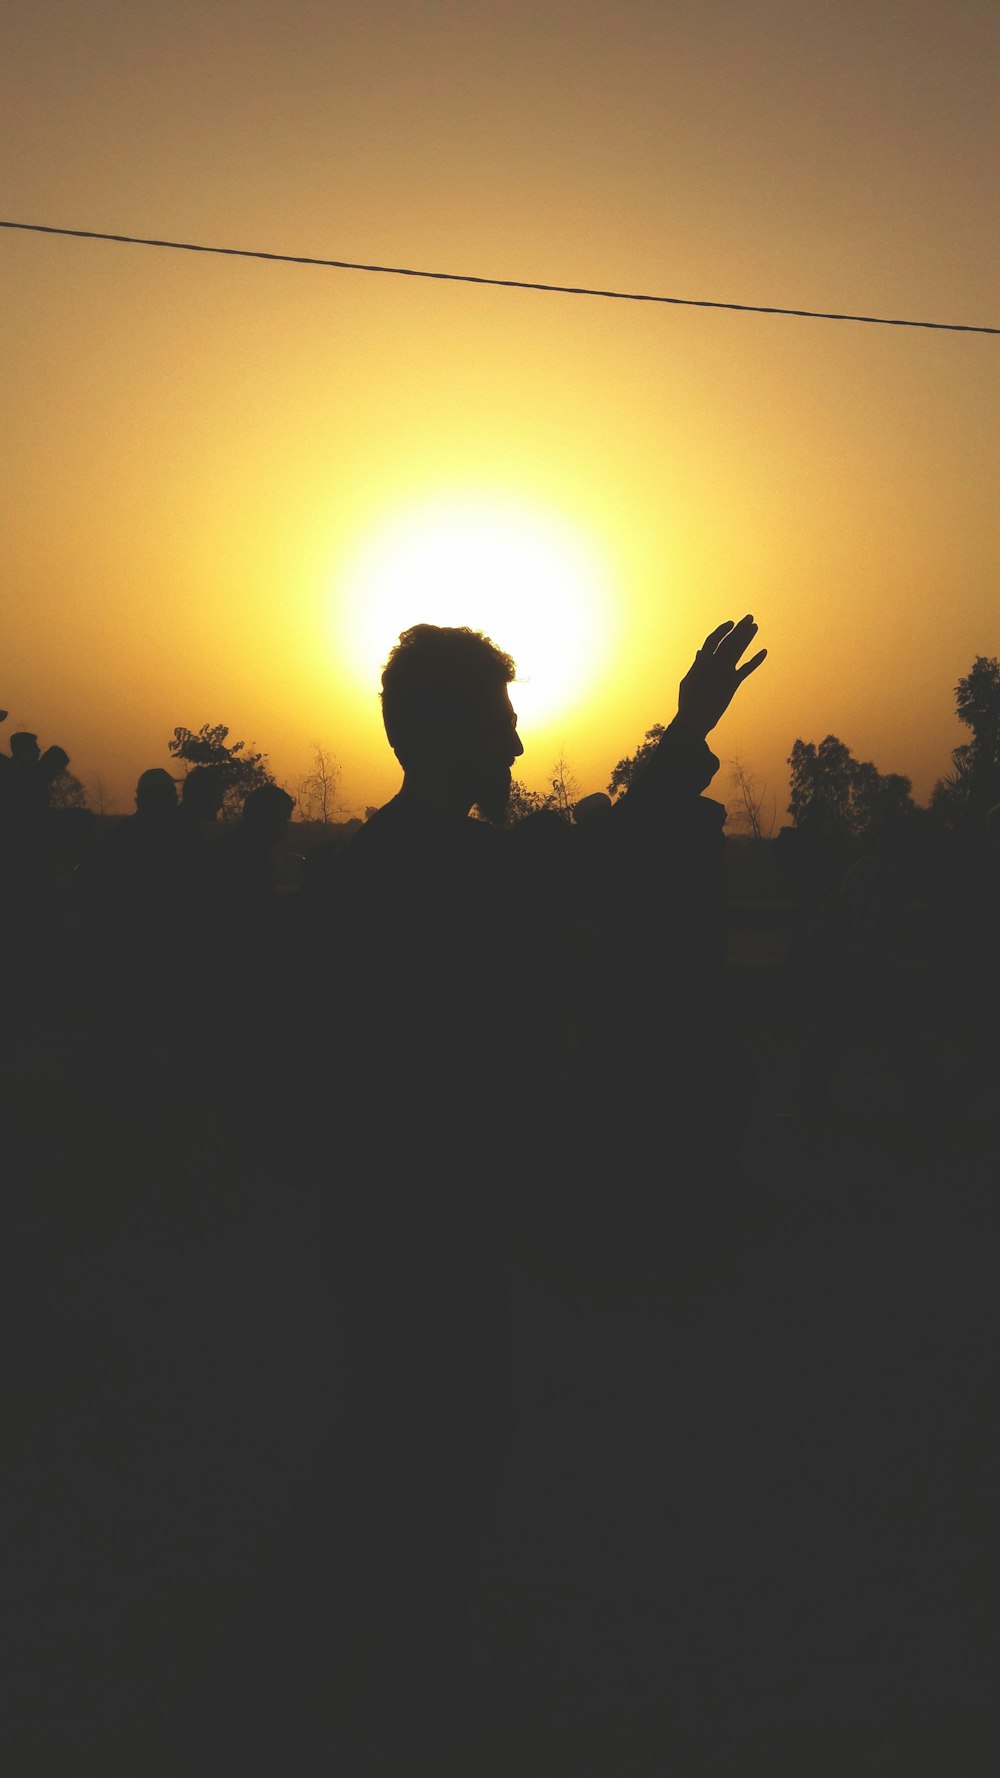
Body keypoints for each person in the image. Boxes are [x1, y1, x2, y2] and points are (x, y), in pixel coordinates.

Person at [294, 613, 766, 1769]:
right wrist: (688, 733)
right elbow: (611, 853)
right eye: (501, 724)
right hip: (431, 1217)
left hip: (398, 1216)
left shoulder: (370, 869)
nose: (516, 748)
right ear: (449, 733)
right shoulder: (451, 871)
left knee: (411, 1429)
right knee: (434, 1437)